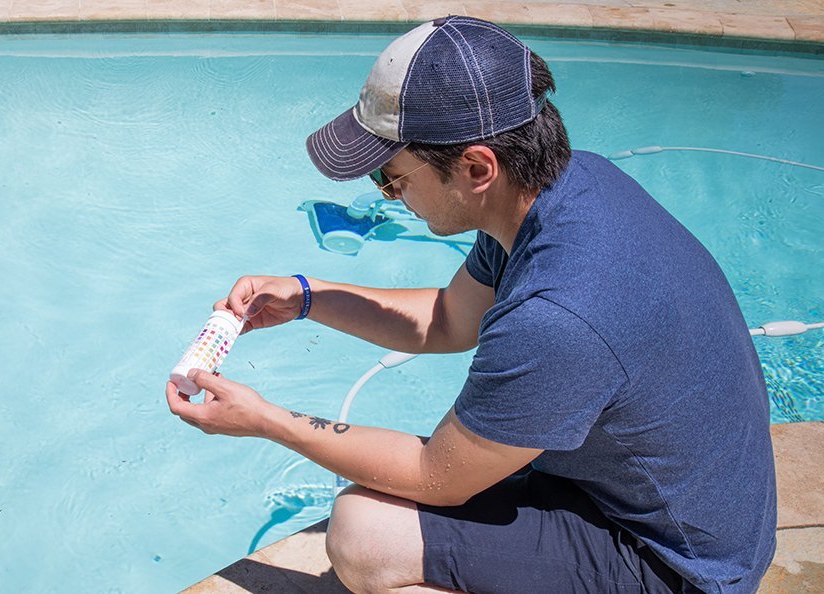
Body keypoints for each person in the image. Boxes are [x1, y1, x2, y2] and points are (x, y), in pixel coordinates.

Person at [165, 16, 776, 594]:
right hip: (665, 505)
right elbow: (448, 320)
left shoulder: (559, 315)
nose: (388, 195)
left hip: (675, 565)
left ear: (476, 166)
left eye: (392, 177)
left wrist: (265, 420)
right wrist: (306, 297)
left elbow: (439, 477)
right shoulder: (563, 186)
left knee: (363, 533)